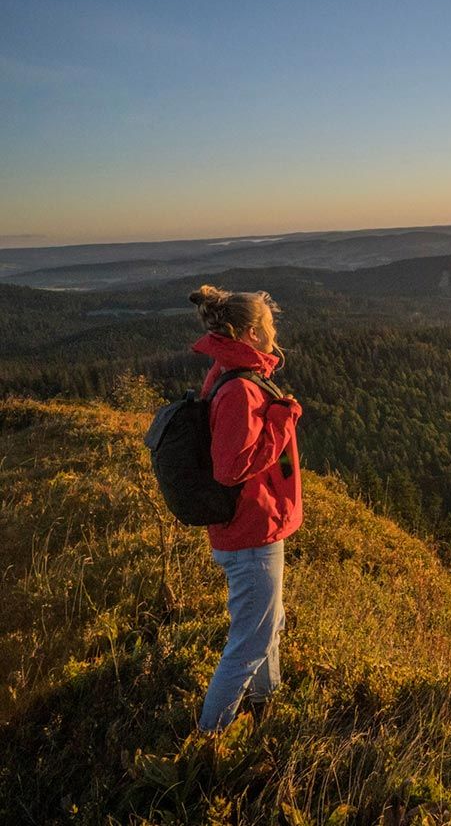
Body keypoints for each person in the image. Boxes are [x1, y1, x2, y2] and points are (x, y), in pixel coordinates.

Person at [188, 284, 303, 732]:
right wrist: (281, 420)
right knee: (249, 644)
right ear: (252, 333)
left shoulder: (229, 372)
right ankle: (208, 739)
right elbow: (229, 468)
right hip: (250, 533)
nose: (276, 334)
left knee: (268, 626)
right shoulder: (240, 388)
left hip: (253, 528)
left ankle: (266, 705)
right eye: (270, 327)